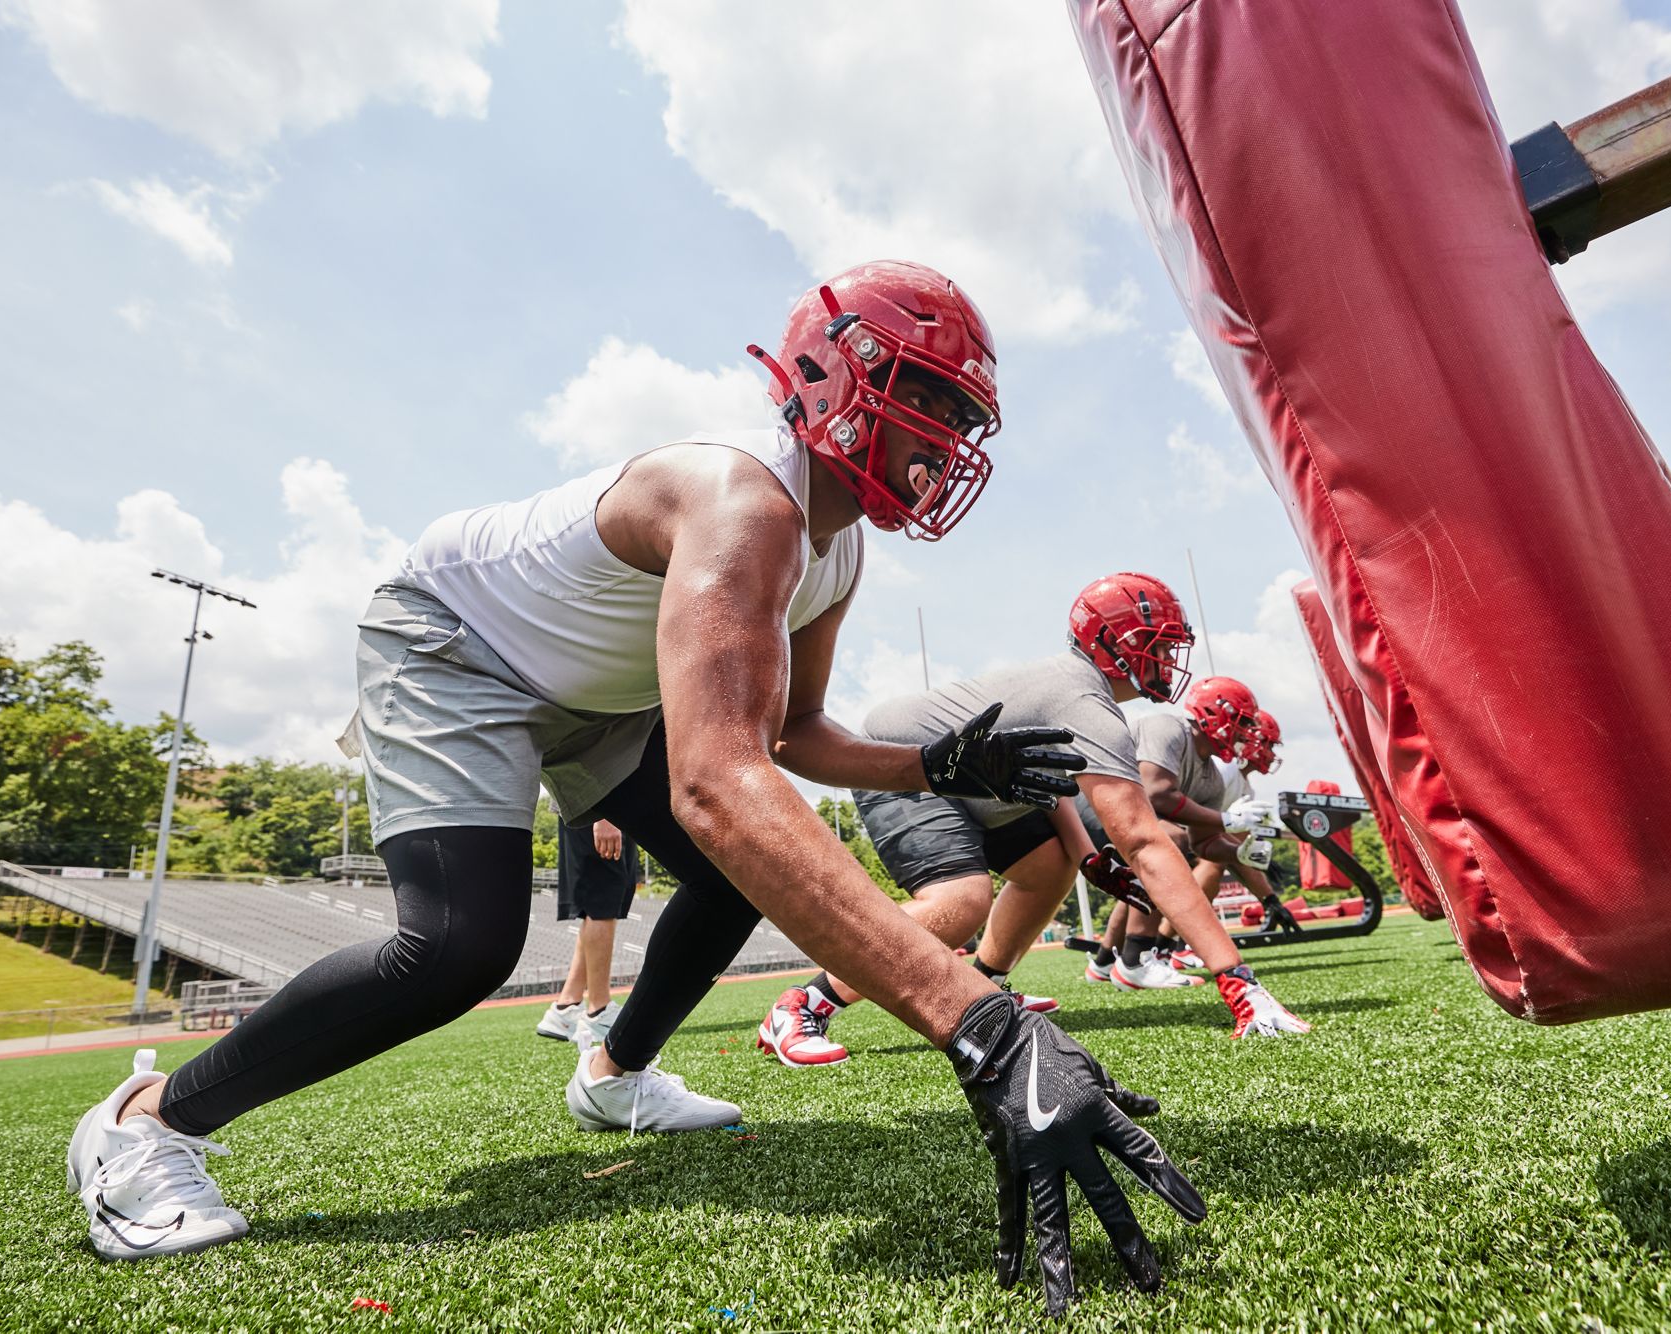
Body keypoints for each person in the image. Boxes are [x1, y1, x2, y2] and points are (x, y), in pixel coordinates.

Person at [63, 261, 1201, 1314]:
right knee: (458, 942)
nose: (948, 440)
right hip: (460, 645)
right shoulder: (742, 497)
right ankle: (146, 1120)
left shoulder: (836, 549)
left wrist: (930, 766)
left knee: (726, 880)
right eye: (931, 401)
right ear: (837, 380)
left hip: (600, 695)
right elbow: (721, 778)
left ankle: (613, 1073)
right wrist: (979, 1022)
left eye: (963, 418)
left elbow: (795, 731)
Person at [760, 575, 1306, 1065]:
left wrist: (1089, 857)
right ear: (1121, 644)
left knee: (1050, 867)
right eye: (1160, 644)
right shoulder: (1084, 698)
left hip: (973, 779)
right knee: (961, 899)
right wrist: (1237, 981)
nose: (1169, 657)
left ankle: (985, 986)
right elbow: (1143, 842)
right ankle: (804, 1002)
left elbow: (1047, 779)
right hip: (903, 758)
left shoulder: (1077, 691)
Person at [1085, 683, 1285, 981]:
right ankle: (1137, 959)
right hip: (1087, 805)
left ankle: (1106, 963)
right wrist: (1228, 820)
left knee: (1162, 851)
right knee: (1167, 841)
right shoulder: (1168, 727)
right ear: (1212, 714)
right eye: (1241, 723)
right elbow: (1157, 795)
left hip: (1123, 820)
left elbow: (1203, 842)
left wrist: (1238, 852)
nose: (1245, 734)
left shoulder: (1213, 778)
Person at [536, 816, 638, 1049]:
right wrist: (602, 816)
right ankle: (598, 1010)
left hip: (604, 807)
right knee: (602, 898)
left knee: (606, 896)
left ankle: (566, 1007)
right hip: (597, 807)